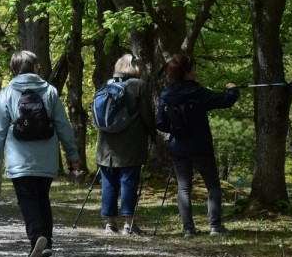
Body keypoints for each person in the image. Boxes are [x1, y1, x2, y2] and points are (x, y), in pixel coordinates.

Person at [0, 51, 81, 257]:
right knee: (42, 197)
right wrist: (72, 155)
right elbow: (63, 126)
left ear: (14, 69)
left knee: (27, 198)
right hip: (46, 156)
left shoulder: (7, 92)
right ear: (35, 68)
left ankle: (37, 236)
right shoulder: (50, 91)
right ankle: (47, 242)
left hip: (19, 157)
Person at [155, 54, 239, 237]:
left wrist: (174, 129)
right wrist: (232, 90)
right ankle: (215, 227)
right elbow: (224, 100)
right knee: (213, 186)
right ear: (186, 72)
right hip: (201, 145)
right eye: (193, 68)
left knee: (184, 188)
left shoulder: (166, 94)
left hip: (177, 147)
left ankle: (188, 229)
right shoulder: (197, 91)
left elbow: (160, 123)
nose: (195, 72)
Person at [96, 54, 155, 235]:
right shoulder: (140, 86)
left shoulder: (107, 85)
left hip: (106, 145)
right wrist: (154, 134)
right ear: (136, 68)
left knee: (109, 183)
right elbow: (147, 115)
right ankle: (129, 224)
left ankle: (110, 223)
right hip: (131, 143)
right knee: (129, 183)